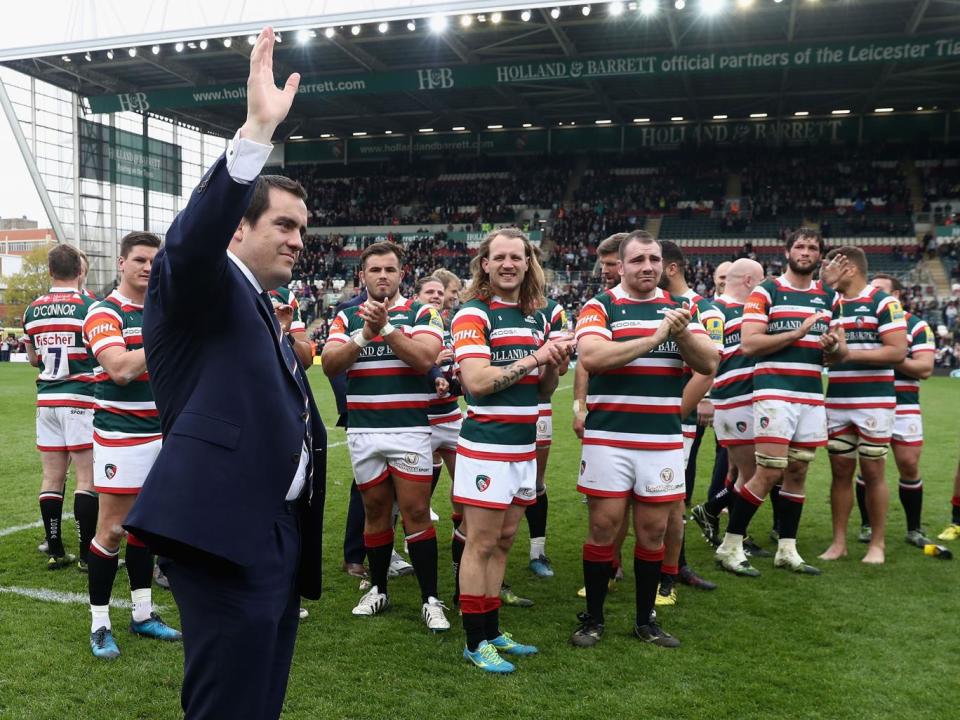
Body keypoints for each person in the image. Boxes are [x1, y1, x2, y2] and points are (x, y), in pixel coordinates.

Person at [124, 28, 327, 720]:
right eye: (285, 225)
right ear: (237, 229)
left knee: (258, 698)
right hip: (221, 532)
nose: (299, 241)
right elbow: (188, 243)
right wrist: (256, 134)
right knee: (229, 705)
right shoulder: (198, 282)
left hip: (269, 530)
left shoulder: (256, 302)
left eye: (303, 229)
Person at [570, 230, 717, 649]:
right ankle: (593, 617)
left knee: (653, 531)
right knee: (603, 526)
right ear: (621, 264)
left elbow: (709, 362)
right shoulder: (601, 306)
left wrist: (681, 333)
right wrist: (655, 338)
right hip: (609, 439)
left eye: (653, 259)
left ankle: (645, 619)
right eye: (637, 260)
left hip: (662, 438)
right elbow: (593, 357)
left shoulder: (682, 308)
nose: (647, 267)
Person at [452, 228, 572, 672]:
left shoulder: (536, 319)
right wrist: (538, 358)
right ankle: (473, 640)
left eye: (516, 257)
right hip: (487, 447)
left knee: (503, 542)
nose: (507, 264)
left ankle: (492, 628)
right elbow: (478, 383)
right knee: (480, 543)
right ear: (484, 264)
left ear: (528, 263)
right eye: (498, 257)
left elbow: (544, 388)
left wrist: (553, 365)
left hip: (523, 447)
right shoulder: (472, 314)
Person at [321, 241, 449, 630]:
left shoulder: (423, 311)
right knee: (375, 513)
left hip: (408, 429)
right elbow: (328, 364)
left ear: (401, 274)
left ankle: (430, 598)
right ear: (362, 275)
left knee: (415, 513)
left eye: (389, 270)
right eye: (374, 270)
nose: (382, 276)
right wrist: (363, 335)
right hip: (364, 431)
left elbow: (424, 358)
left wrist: (386, 328)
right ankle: (377, 589)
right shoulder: (345, 316)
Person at [82, 231, 181, 658]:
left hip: (167, 435)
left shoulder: (166, 309)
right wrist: (166, 334)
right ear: (121, 263)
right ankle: (99, 624)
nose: (147, 267)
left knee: (148, 529)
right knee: (113, 530)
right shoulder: (104, 312)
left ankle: (142, 614)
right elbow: (120, 369)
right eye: (139, 259)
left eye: (154, 262)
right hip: (122, 437)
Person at [714, 229, 835, 578]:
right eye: (800, 245)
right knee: (769, 471)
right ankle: (730, 545)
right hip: (774, 392)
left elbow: (835, 355)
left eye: (813, 247)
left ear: (819, 256)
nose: (806, 251)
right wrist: (796, 333)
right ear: (787, 251)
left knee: (798, 472)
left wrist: (834, 346)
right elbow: (750, 344)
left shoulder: (828, 296)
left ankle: (787, 549)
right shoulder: (766, 291)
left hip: (810, 394)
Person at [818, 247, 907, 565]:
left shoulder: (883, 302)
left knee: (873, 471)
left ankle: (877, 544)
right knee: (840, 471)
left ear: (850, 269)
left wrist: (847, 355)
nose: (826, 272)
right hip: (839, 399)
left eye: (831, 266)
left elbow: (897, 351)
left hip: (874, 401)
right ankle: (839, 542)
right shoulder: (831, 304)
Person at [21, 243, 98, 571]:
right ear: (79, 271)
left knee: (52, 477)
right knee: (86, 479)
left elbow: (33, 359)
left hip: (47, 400)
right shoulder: (90, 307)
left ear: (50, 270)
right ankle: (85, 554)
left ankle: (54, 548)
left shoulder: (31, 310)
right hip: (80, 399)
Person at [655, 241, 724, 604]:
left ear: (671, 268)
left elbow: (708, 367)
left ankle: (674, 566)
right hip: (649, 416)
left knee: (676, 494)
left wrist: (676, 412)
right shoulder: (651, 305)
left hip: (677, 418)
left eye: (654, 263)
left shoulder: (705, 311)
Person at [855, 273, 935, 550]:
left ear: (896, 296)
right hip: (868, 401)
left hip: (904, 404)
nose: (872, 295)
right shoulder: (861, 322)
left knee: (909, 464)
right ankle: (866, 525)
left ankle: (914, 528)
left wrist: (892, 352)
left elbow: (924, 369)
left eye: (879, 290)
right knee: (868, 466)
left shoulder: (916, 325)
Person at [691, 258, 766, 544]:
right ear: (749, 281)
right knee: (754, 474)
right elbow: (706, 358)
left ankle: (720, 519)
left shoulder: (746, 311)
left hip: (742, 401)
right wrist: (707, 397)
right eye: (760, 281)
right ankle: (732, 532)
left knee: (736, 471)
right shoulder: (716, 311)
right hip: (732, 400)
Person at [573, 233, 629, 598]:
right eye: (604, 264)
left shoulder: (665, 303)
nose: (605, 270)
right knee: (608, 503)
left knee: (663, 509)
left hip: (656, 419)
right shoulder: (599, 304)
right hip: (607, 420)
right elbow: (585, 363)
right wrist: (579, 404)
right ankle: (612, 561)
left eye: (611, 264)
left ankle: (671, 570)